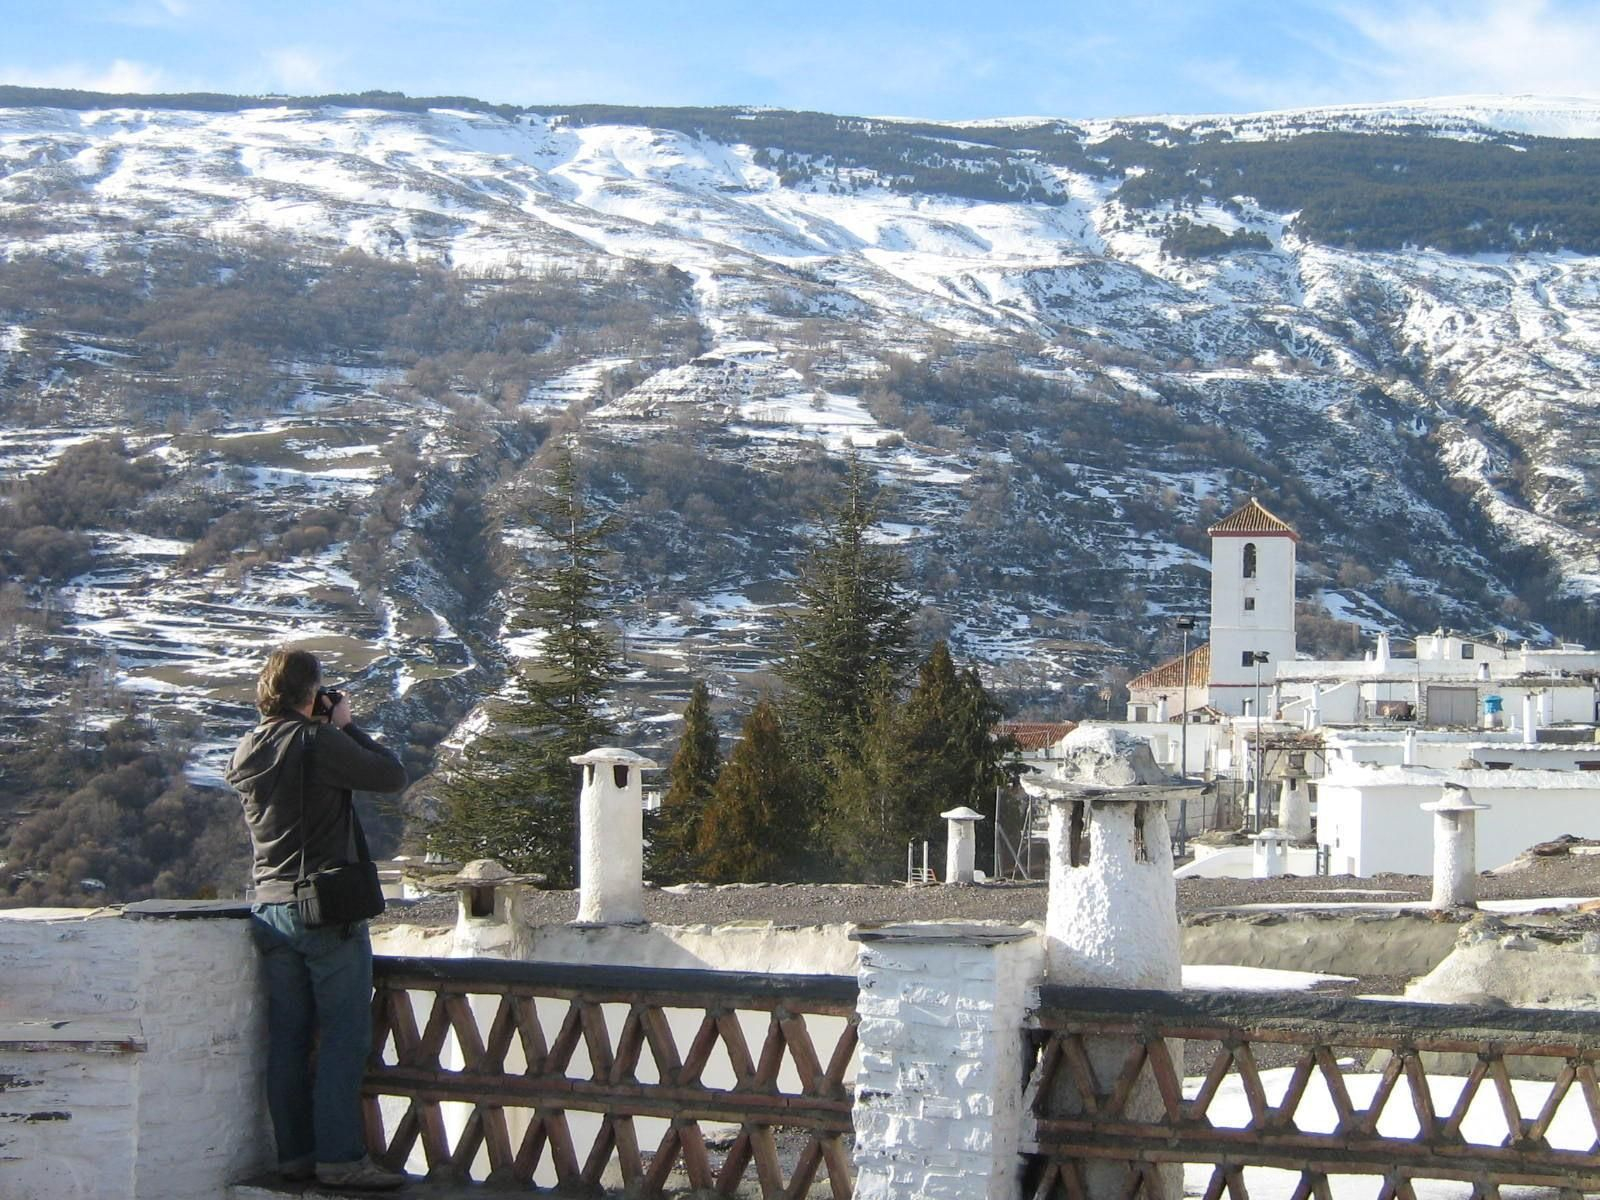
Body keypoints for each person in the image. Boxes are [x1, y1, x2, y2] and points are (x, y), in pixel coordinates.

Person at [227, 647, 409, 1190]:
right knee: (342, 1036)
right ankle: (340, 1159)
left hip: (269, 906)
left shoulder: (246, 748)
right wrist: (346, 727)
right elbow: (390, 775)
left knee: (286, 1037)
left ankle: (294, 1156)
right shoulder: (316, 741)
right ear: (312, 694)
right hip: (325, 908)